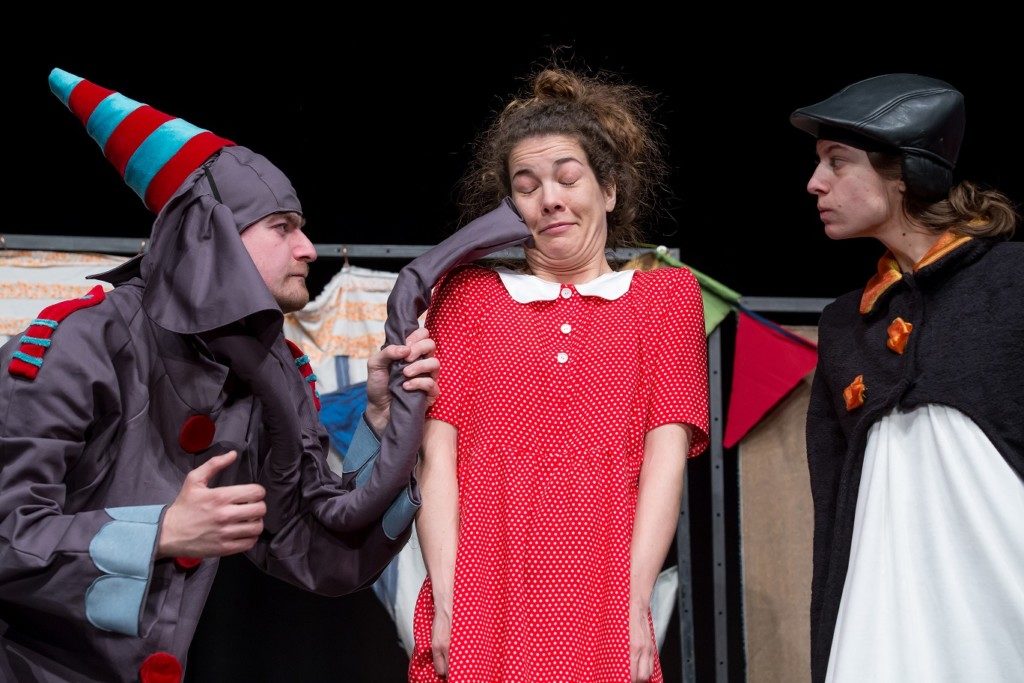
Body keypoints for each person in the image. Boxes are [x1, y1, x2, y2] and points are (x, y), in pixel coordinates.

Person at [0, 68, 437, 683]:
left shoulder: (273, 375)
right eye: (282, 227)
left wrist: (381, 428)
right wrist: (159, 532)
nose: (308, 248)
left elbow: (315, 551)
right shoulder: (81, 344)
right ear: (212, 237)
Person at [410, 67, 710, 683]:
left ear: (609, 190)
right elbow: (436, 458)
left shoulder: (667, 299)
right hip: (480, 593)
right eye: (526, 187)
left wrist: (634, 604)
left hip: (605, 595)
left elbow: (666, 463)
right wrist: (446, 600)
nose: (549, 199)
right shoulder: (466, 298)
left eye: (568, 178)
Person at [792, 73, 1023, 682]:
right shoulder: (846, 324)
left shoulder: (1012, 283)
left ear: (906, 174)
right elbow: (835, 508)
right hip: (891, 621)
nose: (815, 182)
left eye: (837, 161)